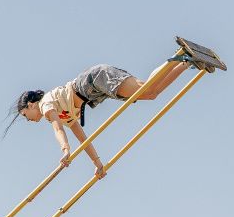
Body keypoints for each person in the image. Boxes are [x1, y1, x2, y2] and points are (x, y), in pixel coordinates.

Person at [11, 59, 188, 177]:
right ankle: (187, 63)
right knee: (150, 94)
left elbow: (57, 129)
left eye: (26, 116)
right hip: (96, 88)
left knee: (146, 88)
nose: (30, 120)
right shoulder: (61, 111)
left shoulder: (46, 105)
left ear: (31, 105)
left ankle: (176, 58)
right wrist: (97, 163)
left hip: (93, 80)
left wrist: (65, 150)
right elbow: (82, 137)